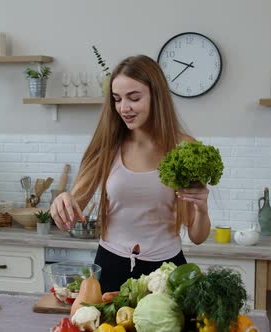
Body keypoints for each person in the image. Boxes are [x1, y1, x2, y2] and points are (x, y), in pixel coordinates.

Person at [50, 55, 211, 293]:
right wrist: (63, 202)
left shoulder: (184, 147)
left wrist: (202, 208)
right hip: (111, 264)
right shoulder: (108, 145)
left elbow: (197, 236)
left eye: (134, 98)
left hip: (166, 272)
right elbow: (69, 217)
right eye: (117, 99)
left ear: (156, 97)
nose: (124, 108)